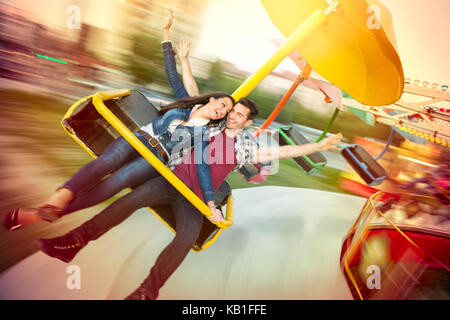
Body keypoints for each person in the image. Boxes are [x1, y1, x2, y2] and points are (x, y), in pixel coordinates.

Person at [35, 97, 343, 300]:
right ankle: (73, 241)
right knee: (127, 203)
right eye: (231, 111)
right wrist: (181, 58)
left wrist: (319, 147)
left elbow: (284, 151)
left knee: (186, 238)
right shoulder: (210, 124)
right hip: (171, 182)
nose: (232, 117)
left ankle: (146, 292)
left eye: (239, 115)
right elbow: (198, 99)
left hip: (193, 200)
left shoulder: (246, 148)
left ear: (247, 123)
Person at [3, 41, 234, 232]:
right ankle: (59, 199)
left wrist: (211, 203)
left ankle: (49, 213)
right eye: (223, 104)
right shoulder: (186, 104)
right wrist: (168, 42)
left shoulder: (204, 133)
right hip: (140, 137)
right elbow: (173, 75)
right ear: (212, 100)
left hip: (154, 158)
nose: (222, 110)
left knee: (118, 181)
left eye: (226, 111)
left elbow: (203, 167)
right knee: (106, 162)